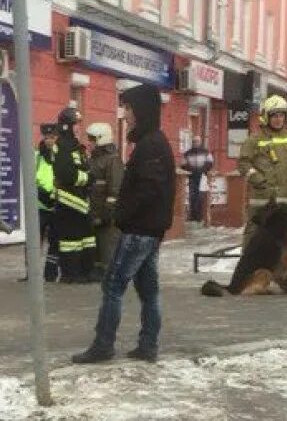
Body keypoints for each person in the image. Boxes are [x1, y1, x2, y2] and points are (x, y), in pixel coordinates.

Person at [72, 83, 176, 364]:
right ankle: (148, 345)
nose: (125, 114)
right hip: (148, 230)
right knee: (148, 290)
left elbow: (148, 189)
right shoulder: (152, 142)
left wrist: (121, 214)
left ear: (141, 110)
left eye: (128, 108)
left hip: (139, 230)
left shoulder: (151, 144)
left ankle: (103, 345)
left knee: (113, 286)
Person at [237, 95, 287, 252]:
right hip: (262, 198)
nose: (278, 119)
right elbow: (243, 163)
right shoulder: (254, 139)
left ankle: (284, 271)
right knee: (254, 235)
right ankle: (249, 269)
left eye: (281, 115)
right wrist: (258, 180)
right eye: (274, 115)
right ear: (266, 117)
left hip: (286, 196)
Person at [53, 107, 97, 283]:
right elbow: (67, 175)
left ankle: (86, 270)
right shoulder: (63, 145)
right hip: (68, 202)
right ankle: (71, 273)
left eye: (79, 124)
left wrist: (86, 176)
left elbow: (83, 167)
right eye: (75, 124)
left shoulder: (76, 146)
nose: (78, 128)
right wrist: (88, 178)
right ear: (66, 126)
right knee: (71, 240)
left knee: (86, 238)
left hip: (80, 201)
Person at [86, 122, 124, 279]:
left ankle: (111, 276)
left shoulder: (112, 160)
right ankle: (99, 272)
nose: (89, 143)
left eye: (92, 139)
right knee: (97, 246)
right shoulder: (94, 159)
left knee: (108, 245)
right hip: (94, 210)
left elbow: (115, 189)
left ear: (101, 139)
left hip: (106, 214)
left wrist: (107, 213)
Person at [27, 123, 61, 282]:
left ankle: (50, 274)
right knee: (34, 241)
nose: (49, 141)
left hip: (57, 204)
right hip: (40, 205)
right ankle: (31, 274)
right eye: (46, 137)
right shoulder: (37, 156)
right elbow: (30, 177)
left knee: (55, 242)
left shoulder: (61, 155)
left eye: (52, 137)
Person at [181, 136, 214, 222]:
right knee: (192, 196)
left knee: (200, 196)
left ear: (200, 142)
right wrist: (191, 170)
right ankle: (193, 216)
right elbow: (183, 165)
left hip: (202, 176)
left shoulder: (206, 152)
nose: (196, 143)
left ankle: (199, 216)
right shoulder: (187, 153)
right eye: (194, 141)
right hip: (191, 177)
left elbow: (210, 163)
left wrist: (202, 170)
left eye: (197, 141)